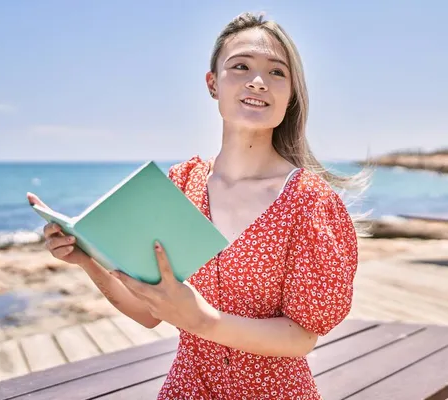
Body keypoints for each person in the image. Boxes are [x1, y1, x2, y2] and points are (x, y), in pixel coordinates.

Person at [27, 12, 369, 399]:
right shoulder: (182, 185)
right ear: (213, 83)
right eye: (240, 66)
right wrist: (87, 259)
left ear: (290, 94)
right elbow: (149, 311)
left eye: (277, 72)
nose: (258, 81)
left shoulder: (310, 202)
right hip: (186, 389)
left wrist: (204, 321)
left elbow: (302, 337)